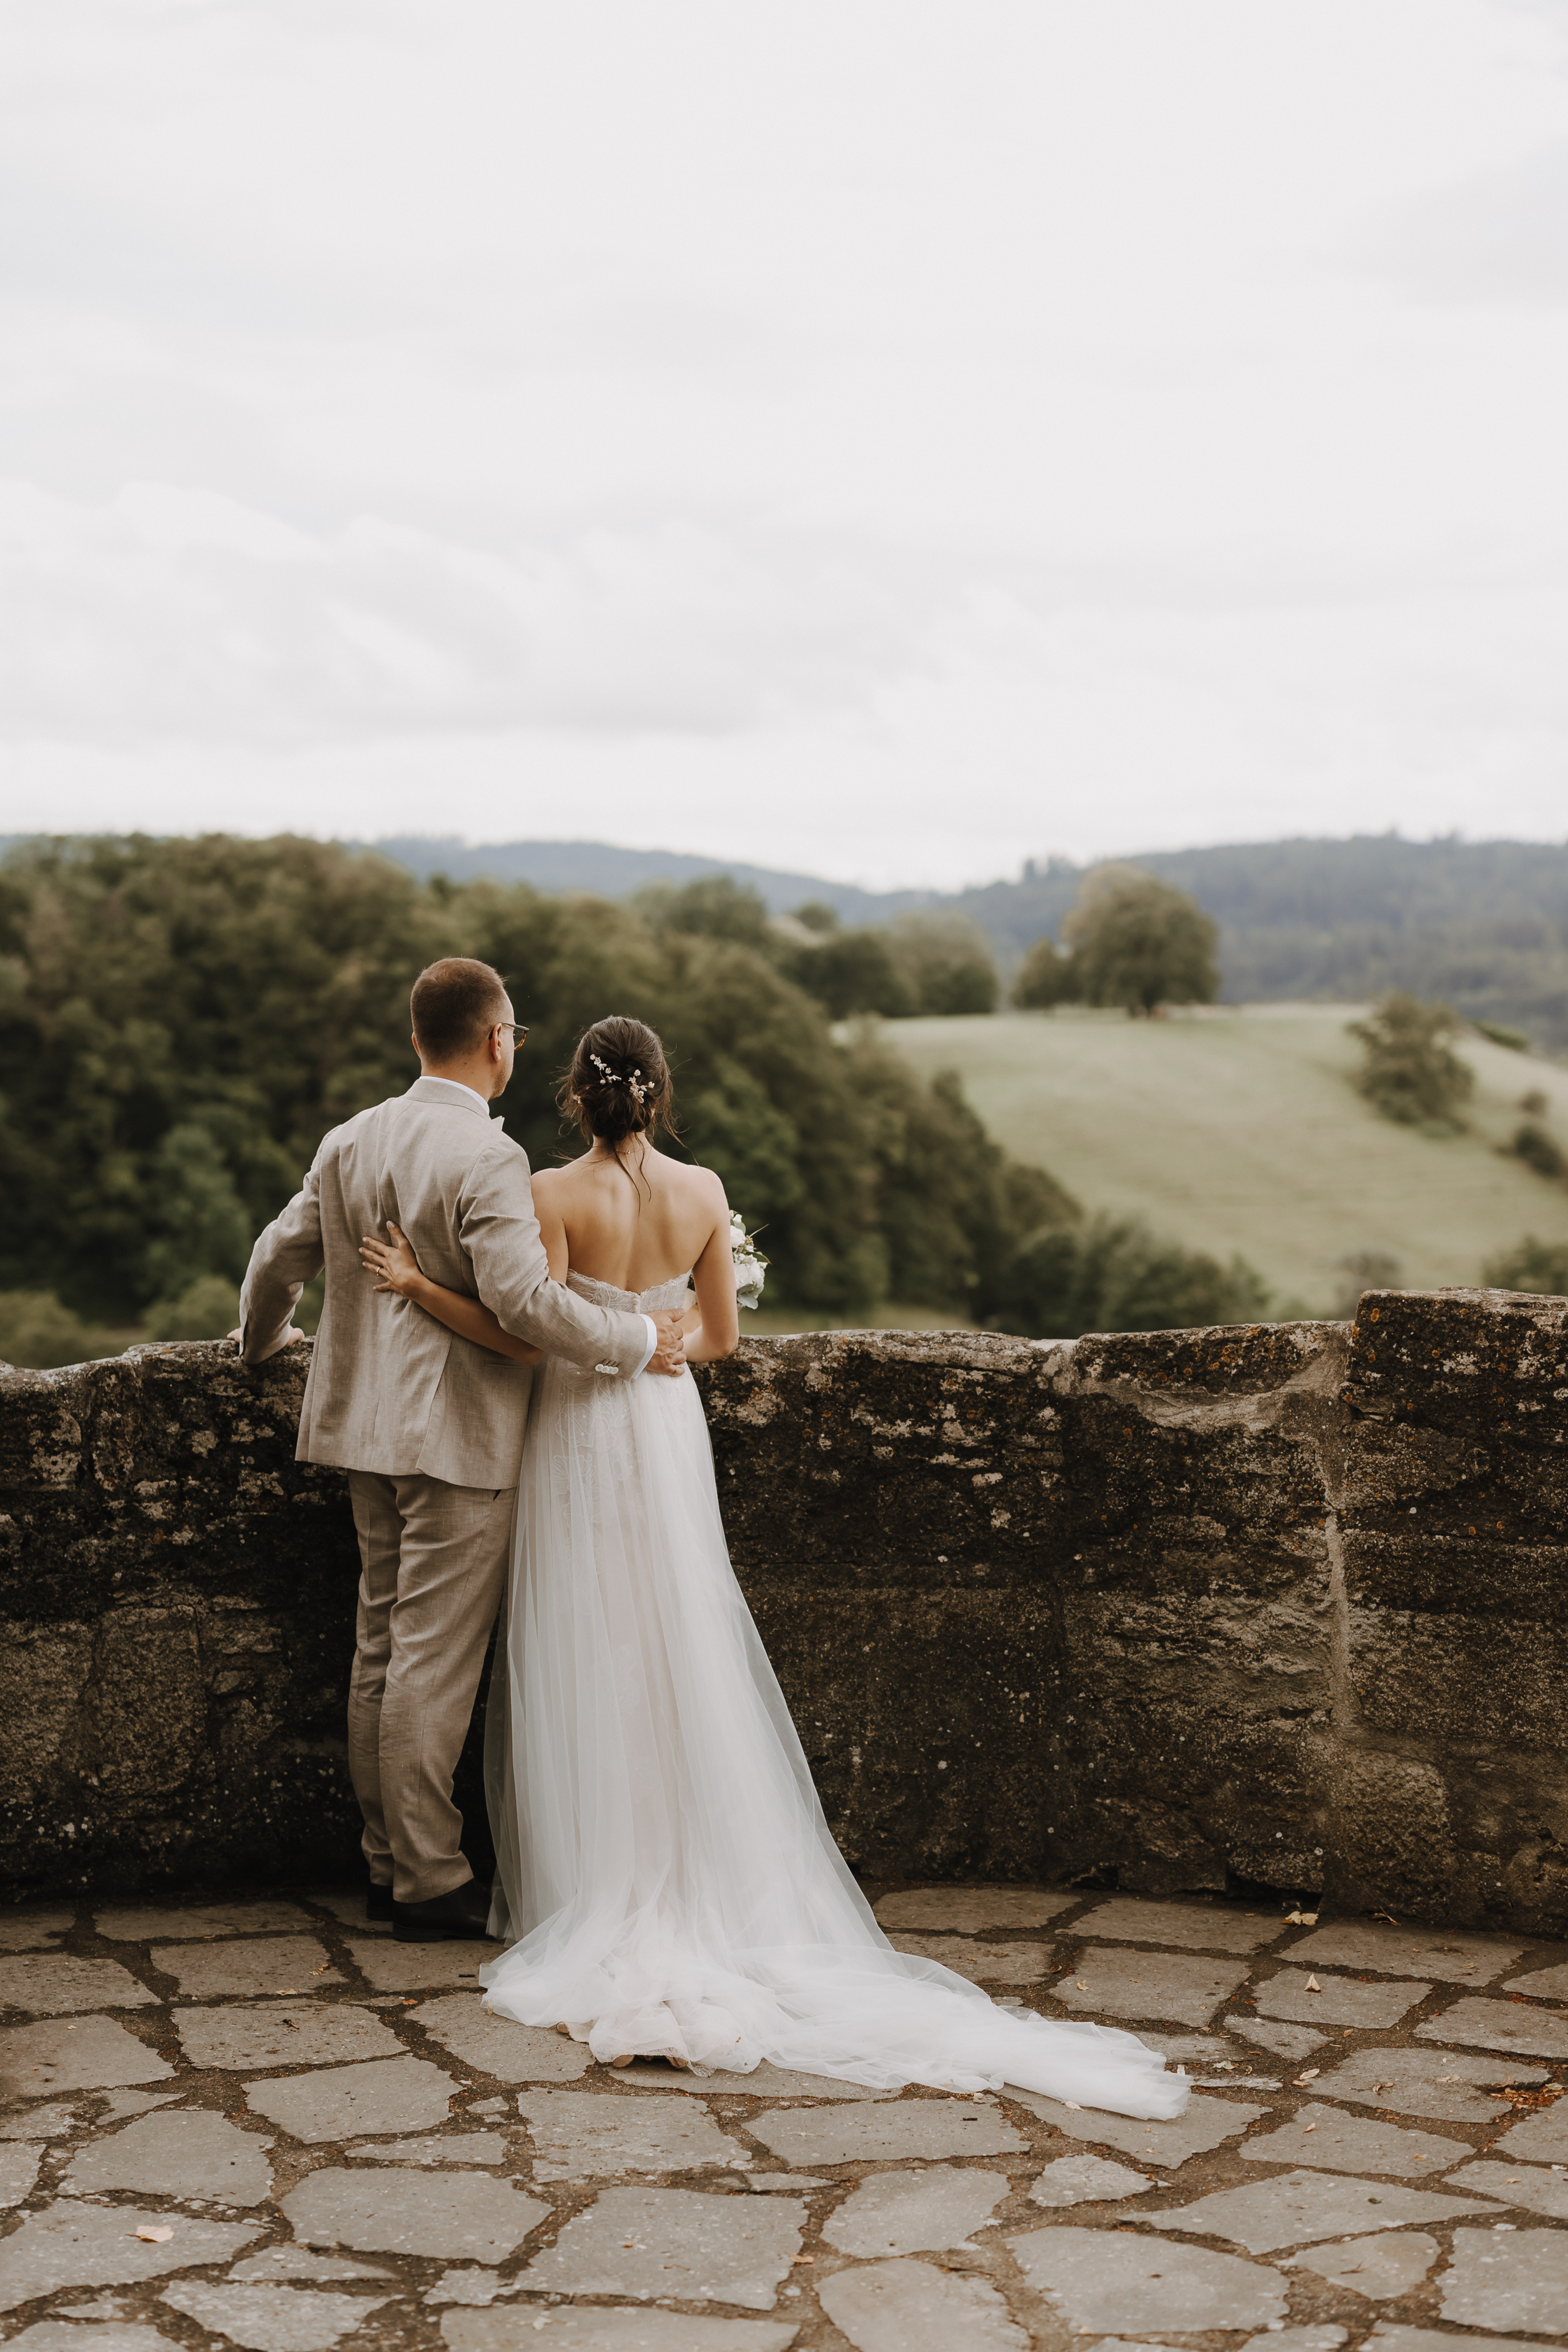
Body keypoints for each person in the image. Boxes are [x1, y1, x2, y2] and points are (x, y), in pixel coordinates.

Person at [357, 1013, 1186, 2113]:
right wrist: (661, 1344)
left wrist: (423, 1290)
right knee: (677, 1632)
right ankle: (694, 1874)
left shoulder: (552, 1195)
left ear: (576, 1096)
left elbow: (530, 1333)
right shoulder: (703, 1192)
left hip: (579, 1431)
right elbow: (719, 1339)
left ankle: (591, 1877)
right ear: (659, 1094)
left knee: (593, 1638)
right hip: (664, 1427)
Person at [238, 961, 688, 1943]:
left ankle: (385, 1865)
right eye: (514, 1036)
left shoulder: (349, 1138)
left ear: (416, 1039)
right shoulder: (488, 1156)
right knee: (430, 1664)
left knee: (381, 1648)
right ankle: (428, 1880)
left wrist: (261, 1345)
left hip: (361, 1429)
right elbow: (525, 1304)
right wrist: (633, 1340)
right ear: (497, 1040)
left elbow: (276, 1259)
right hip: (457, 1440)